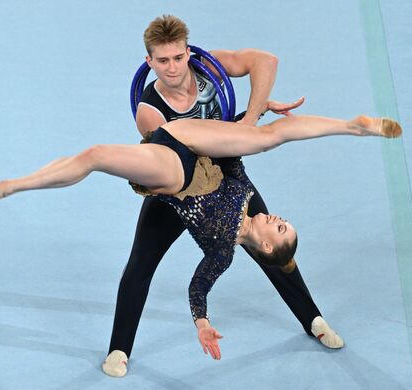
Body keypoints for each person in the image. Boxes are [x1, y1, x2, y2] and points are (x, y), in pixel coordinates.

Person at [0, 112, 402, 368]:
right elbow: (239, 153)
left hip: (175, 175)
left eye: (282, 227)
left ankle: (11, 186)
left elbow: (198, 288)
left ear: (267, 247)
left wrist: (202, 322)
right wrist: (251, 116)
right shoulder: (248, 195)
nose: (282, 218)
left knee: (95, 156)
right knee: (270, 137)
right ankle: (353, 126)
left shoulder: (221, 252)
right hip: (192, 137)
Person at [105, 14, 334, 377]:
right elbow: (181, 165)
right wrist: (244, 130)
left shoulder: (209, 67)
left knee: (268, 242)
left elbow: (265, 61)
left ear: (187, 52)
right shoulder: (149, 113)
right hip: (178, 192)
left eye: (178, 58)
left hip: (226, 178)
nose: (173, 68)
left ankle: (313, 318)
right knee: (140, 265)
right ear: (149, 62)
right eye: (162, 61)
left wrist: (251, 117)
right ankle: (119, 348)